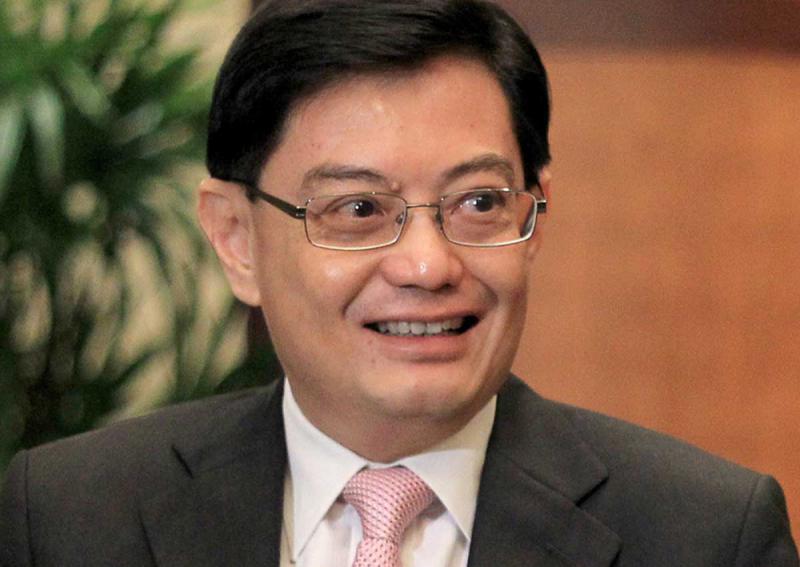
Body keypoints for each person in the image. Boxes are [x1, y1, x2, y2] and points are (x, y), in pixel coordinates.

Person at [1, 0, 797, 565]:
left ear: (536, 216)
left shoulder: (706, 536)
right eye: (358, 209)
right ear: (236, 239)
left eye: (478, 203)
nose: (427, 265)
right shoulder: (70, 518)